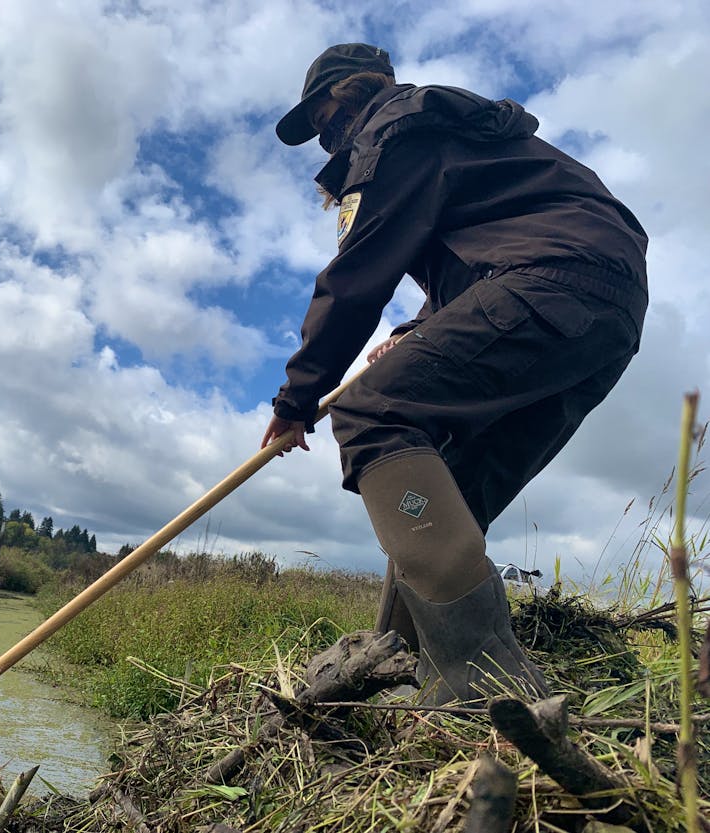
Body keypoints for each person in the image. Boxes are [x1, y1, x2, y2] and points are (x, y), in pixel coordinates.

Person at [261, 43, 648, 705]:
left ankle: (480, 682)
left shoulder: (394, 127)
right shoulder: (450, 136)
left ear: (353, 91)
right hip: (604, 308)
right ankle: (396, 672)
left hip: (550, 280)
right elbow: (482, 247)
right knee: (456, 484)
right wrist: (421, 329)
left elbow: (356, 278)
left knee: (371, 412)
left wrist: (298, 399)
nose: (321, 136)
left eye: (322, 115)